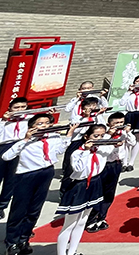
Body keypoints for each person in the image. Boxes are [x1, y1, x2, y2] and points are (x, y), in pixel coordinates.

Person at [3, 115, 73, 255]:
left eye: (47, 123)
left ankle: (24, 239)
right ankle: (12, 242)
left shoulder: (53, 137)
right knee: (19, 210)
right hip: (26, 175)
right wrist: (26, 139)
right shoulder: (24, 140)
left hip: (46, 172)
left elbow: (59, 150)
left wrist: (68, 135)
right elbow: (7, 156)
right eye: (40, 123)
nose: (44, 126)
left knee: (34, 210)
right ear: (32, 126)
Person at [56, 124, 117, 255]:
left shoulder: (102, 150)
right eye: (96, 136)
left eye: (101, 136)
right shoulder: (77, 153)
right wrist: (86, 150)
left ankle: (72, 251)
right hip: (79, 185)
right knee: (69, 224)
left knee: (82, 221)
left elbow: (113, 145)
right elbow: (78, 168)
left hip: (94, 184)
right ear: (86, 137)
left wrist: (110, 136)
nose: (99, 139)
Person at [86, 113, 134, 233]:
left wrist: (127, 132)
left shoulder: (123, 134)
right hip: (103, 165)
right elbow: (101, 148)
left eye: (121, 122)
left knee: (109, 193)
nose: (119, 125)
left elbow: (132, 143)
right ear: (109, 124)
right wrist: (109, 135)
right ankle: (91, 219)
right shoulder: (104, 135)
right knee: (98, 192)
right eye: (116, 123)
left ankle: (102, 217)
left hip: (116, 164)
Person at [0, 97, 30, 219]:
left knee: (11, 179)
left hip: (20, 147)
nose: (20, 110)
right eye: (16, 107)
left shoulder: (30, 119)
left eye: (23, 107)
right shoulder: (3, 120)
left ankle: (2, 206)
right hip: (3, 147)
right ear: (10, 108)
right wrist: (3, 121)